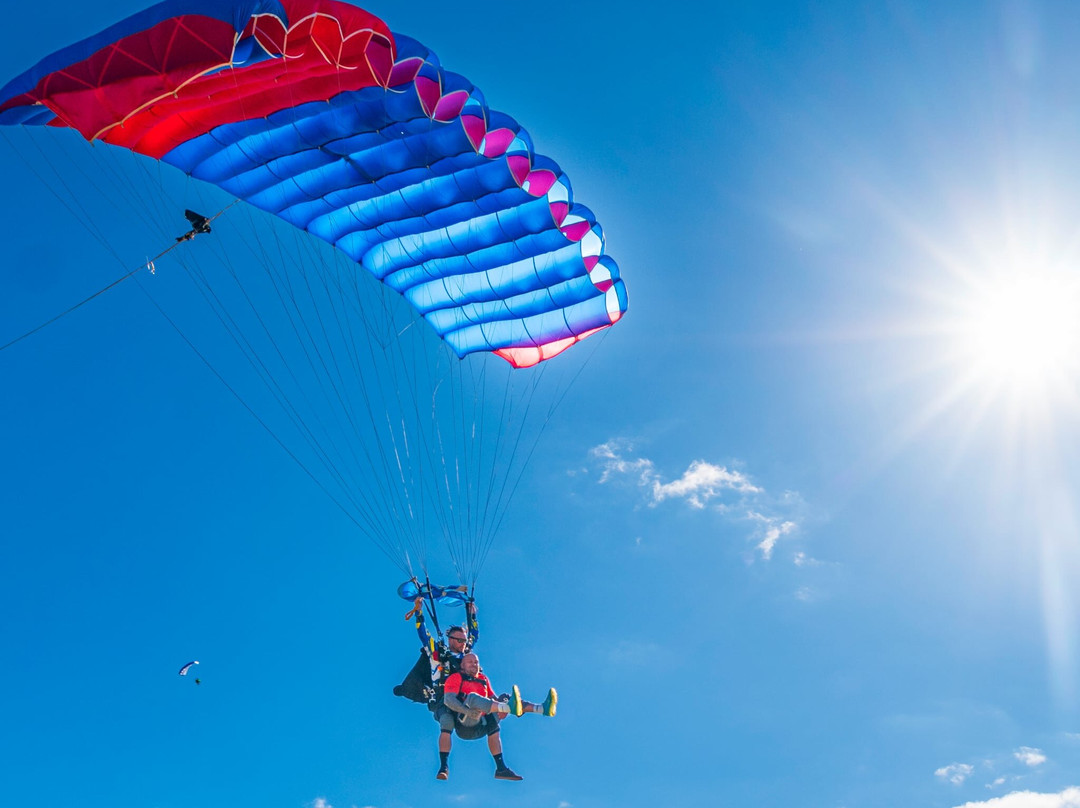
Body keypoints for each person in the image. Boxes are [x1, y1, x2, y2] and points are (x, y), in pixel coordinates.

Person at [437, 652, 557, 781]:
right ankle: (508, 707)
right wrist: (467, 711)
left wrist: (502, 706)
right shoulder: (456, 677)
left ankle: (541, 709)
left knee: (504, 697)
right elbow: (448, 700)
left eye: (476, 662)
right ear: (462, 665)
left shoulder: (483, 679)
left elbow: (493, 699)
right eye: (470, 662)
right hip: (465, 723)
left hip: (481, 724)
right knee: (472, 697)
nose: (474, 664)